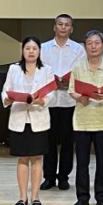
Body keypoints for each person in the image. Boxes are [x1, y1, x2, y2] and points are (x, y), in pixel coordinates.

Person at [68, 30, 103, 205]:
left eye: (97, 43)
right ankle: (82, 197)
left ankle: (102, 197)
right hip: (82, 121)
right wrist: (80, 97)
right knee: (82, 162)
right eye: (90, 43)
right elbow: (72, 90)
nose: (93, 46)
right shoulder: (77, 66)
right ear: (85, 46)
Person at [1, 36, 56, 205]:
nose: (31, 51)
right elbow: (5, 90)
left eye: (34, 48)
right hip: (19, 118)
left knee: (37, 158)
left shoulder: (46, 69)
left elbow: (51, 93)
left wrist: (41, 101)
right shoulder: (14, 69)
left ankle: (35, 197)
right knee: (22, 159)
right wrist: (7, 99)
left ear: (39, 51)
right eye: (27, 48)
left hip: (38, 118)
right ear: (22, 50)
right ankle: (22, 197)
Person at [40, 14, 85, 191]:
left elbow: (82, 71)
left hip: (69, 101)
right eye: (60, 24)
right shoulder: (43, 48)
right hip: (49, 100)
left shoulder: (78, 49)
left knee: (68, 142)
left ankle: (64, 177)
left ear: (71, 29)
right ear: (54, 27)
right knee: (48, 142)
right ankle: (49, 177)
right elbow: (39, 71)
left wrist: (70, 81)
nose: (63, 27)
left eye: (67, 25)